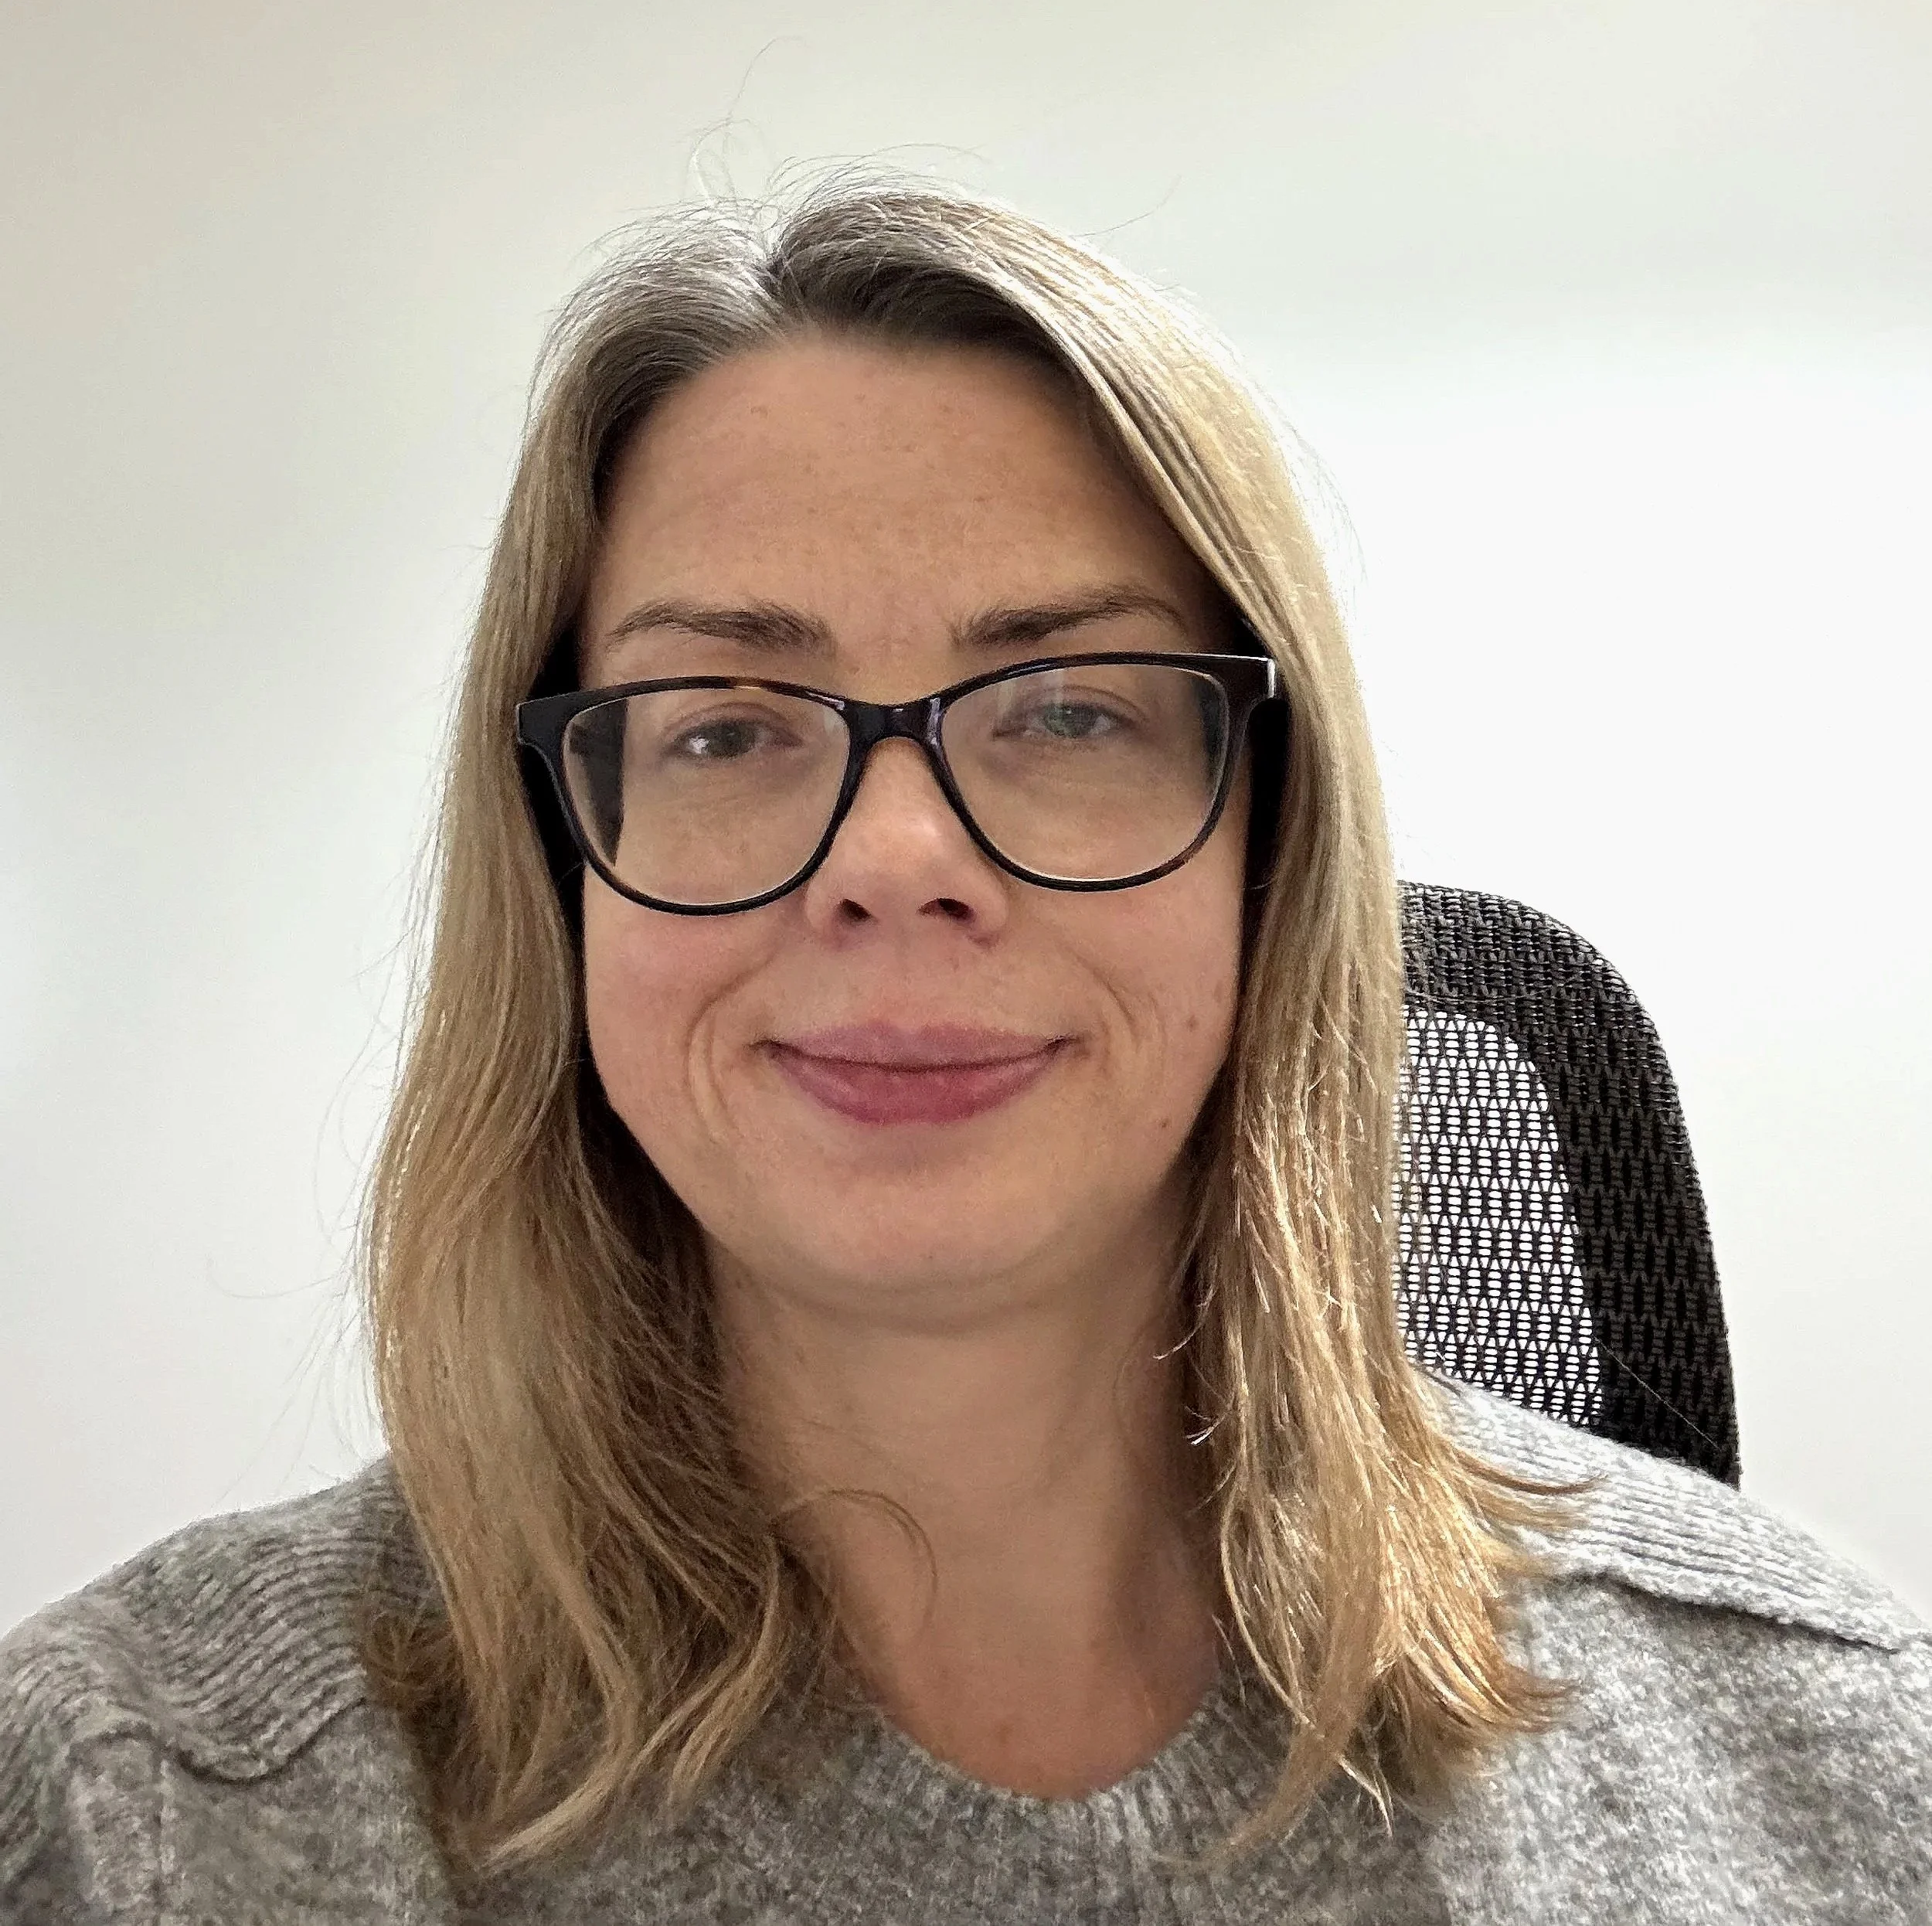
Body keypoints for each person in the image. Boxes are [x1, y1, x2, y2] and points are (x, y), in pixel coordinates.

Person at [2, 174, 1925, 1925]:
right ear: (560, 874)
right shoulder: (145, 1806)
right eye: (725, 725)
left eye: (1072, 710)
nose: (895, 860)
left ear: (1272, 852)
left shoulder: (1826, 1757)